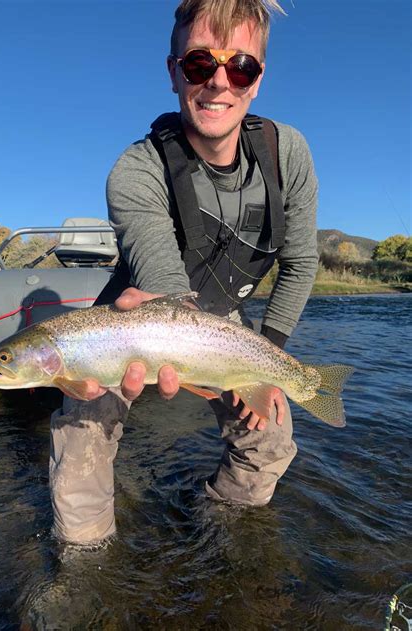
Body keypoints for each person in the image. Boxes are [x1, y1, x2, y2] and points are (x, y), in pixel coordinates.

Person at [49, 0, 318, 546]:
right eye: (200, 64)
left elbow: (301, 262)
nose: (219, 83)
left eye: (240, 66)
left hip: (226, 319)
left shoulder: (287, 153)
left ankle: (223, 522)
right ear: (174, 72)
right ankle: (83, 559)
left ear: (257, 81)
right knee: (82, 433)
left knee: (271, 435)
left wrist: (267, 359)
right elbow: (168, 292)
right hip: (136, 319)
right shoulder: (136, 171)